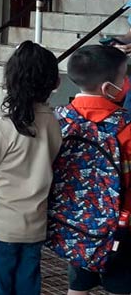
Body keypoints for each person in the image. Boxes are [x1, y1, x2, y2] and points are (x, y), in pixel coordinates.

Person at [0, 41, 62, 295]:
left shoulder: (3, 127)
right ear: (55, 83)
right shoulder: (55, 124)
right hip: (35, 226)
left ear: (10, 82)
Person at [59, 45, 131, 295]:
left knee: (77, 286)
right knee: (121, 286)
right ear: (107, 88)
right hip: (120, 225)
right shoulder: (125, 125)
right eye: (123, 77)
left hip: (73, 222)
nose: (126, 83)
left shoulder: (60, 119)